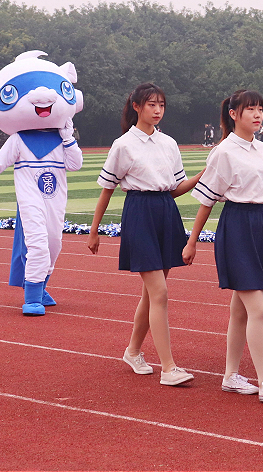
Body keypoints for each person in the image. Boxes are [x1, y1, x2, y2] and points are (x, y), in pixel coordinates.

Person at [183, 90, 263, 403]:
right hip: (237, 229)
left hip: (261, 228)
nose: (257, 114)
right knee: (259, 308)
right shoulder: (223, 152)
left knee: (240, 310)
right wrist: (192, 241)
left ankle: (231, 376)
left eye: (260, 109)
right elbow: (207, 201)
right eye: (250, 109)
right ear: (233, 114)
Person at [87, 83, 202, 386]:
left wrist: (202, 175)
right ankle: (169, 368)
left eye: (161, 105)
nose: (157, 110)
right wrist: (94, 230)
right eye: (151, 104)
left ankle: (133, 351)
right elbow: (107, 189)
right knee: (159, 292)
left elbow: (175, 188)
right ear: (136, 106)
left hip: (166, 212)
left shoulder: (169, 143)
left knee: (151, 294)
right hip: (139, 213)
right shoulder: (123, 145)